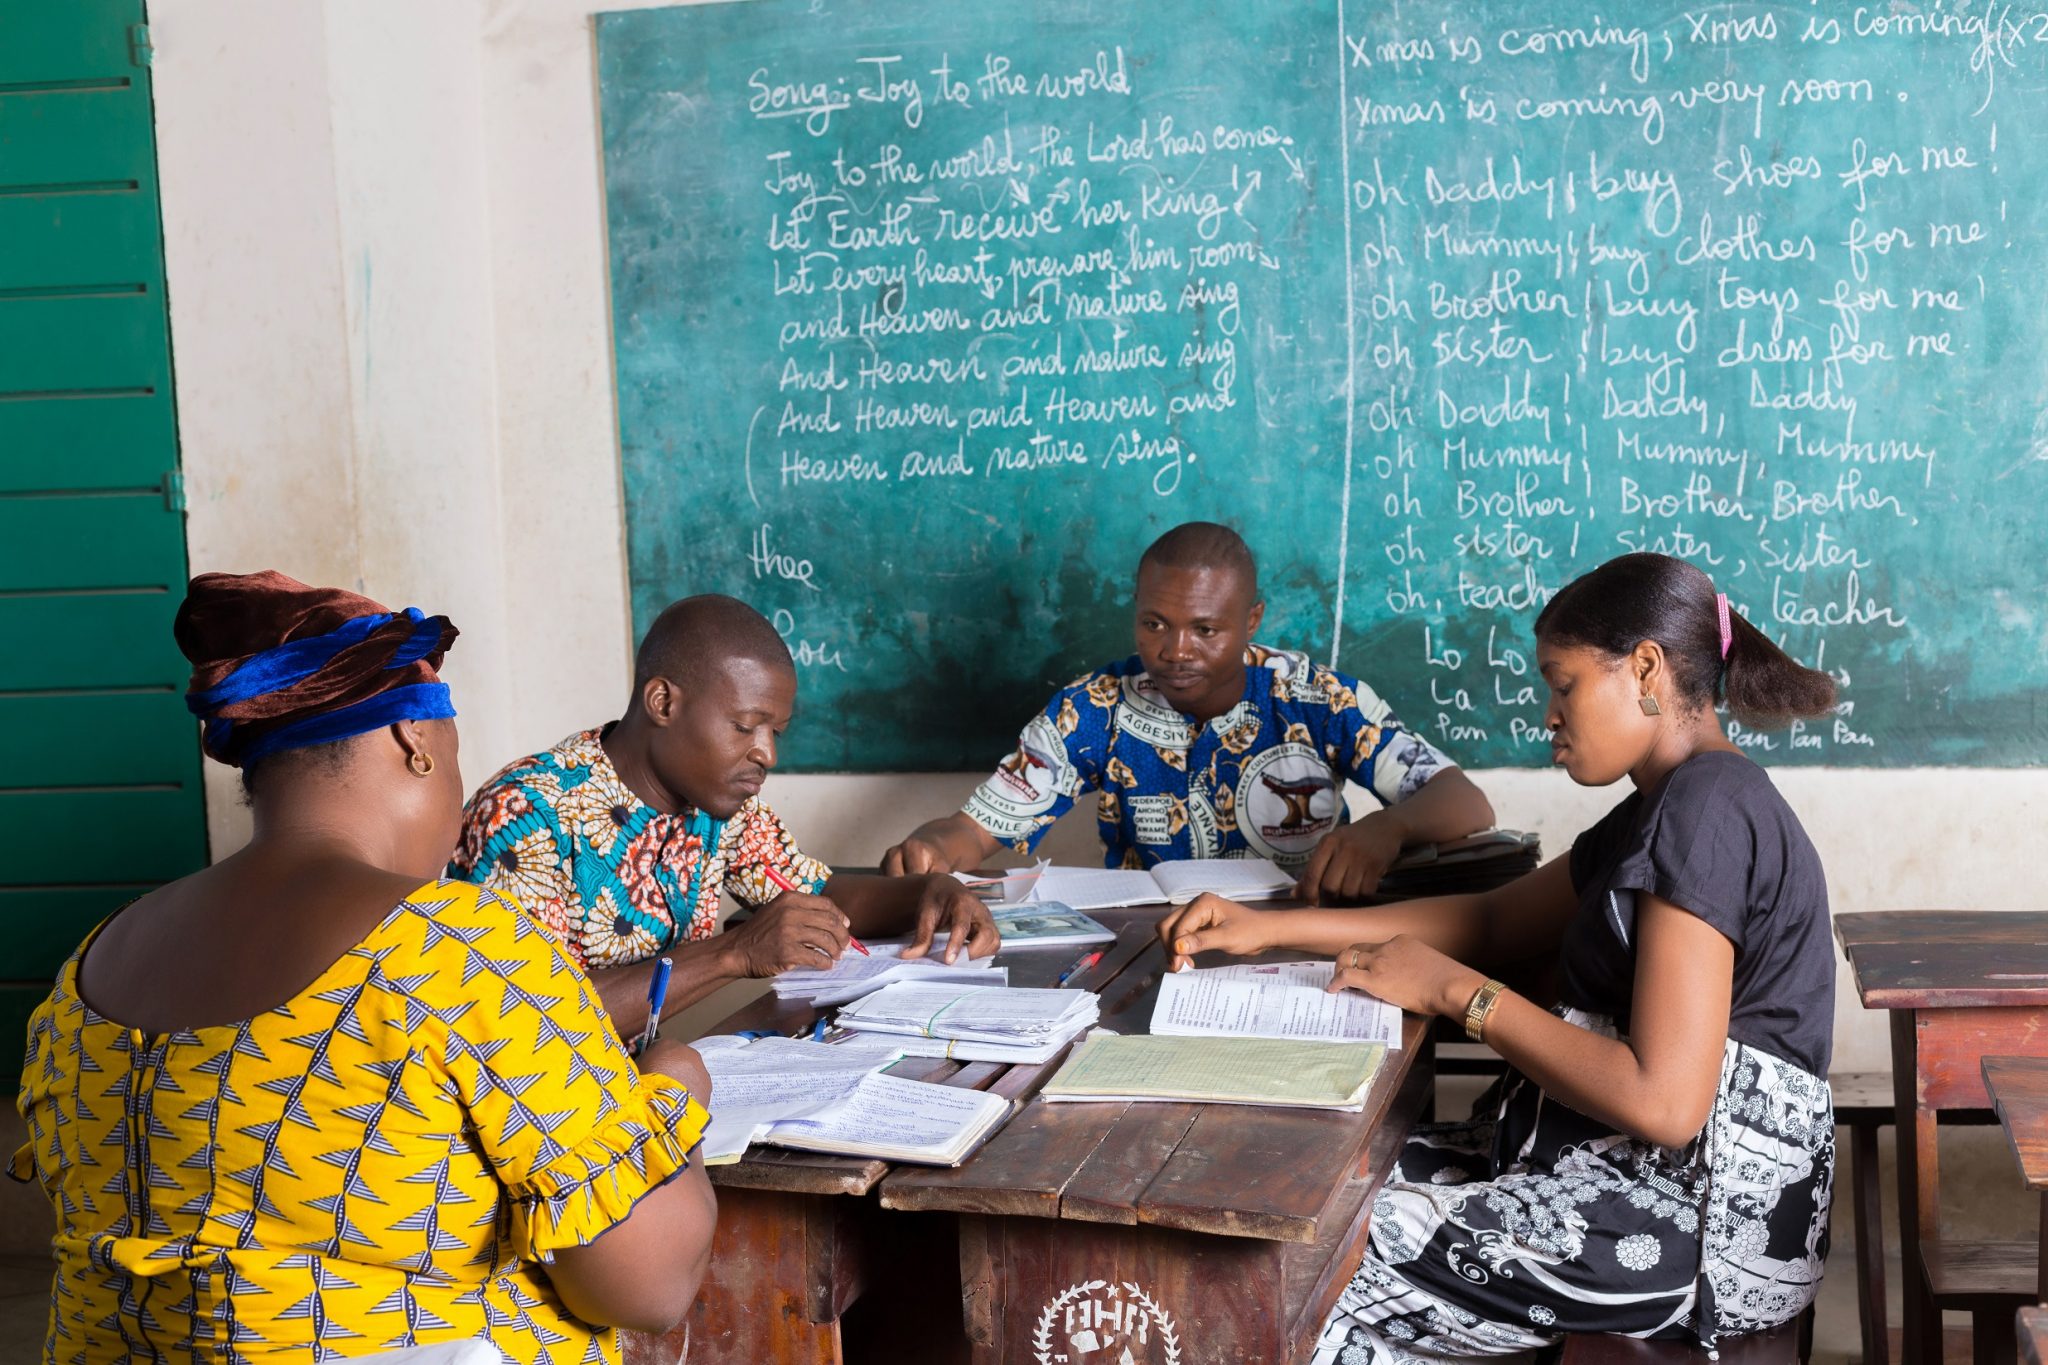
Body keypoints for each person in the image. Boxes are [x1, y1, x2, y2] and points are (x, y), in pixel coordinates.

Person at [10, 571, 718, 1364]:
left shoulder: (96, 958)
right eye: (454, 752)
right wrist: (674, 1088)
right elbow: (647, 1286)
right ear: (416, 740)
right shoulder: (455, 945)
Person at [1156, 553, 1839, 1360]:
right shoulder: (1660, 807)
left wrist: (1458, 993)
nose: (1549, 713)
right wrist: (1269, 929)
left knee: (1303, 1261)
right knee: (1309, 1179)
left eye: (1564, 683)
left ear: (1647, 667)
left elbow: (1667, 1104)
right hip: (1610, 1171)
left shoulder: (1708, 810)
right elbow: (1489, 920)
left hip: (1698, 1229)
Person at [450, 594, 1000, 1037]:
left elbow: (818, 893)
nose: (767, 754)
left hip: (626, 1085)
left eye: (774, 732)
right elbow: (525, 1023)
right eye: (745, 726)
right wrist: (733, 952)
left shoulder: (718, 803)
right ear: (663, 703)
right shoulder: (526, 813)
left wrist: (931, 892)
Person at [883, 522, 1495, 902]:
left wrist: (1385, 831)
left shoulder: (1317, 698)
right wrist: (929, 848)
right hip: (1152, 950)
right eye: (1155, 623)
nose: (1174, 651)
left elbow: (1465, 802)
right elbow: (972, 831)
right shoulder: (1091, 709)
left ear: (1251, 620)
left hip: (1307, 940)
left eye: (1205, 629)